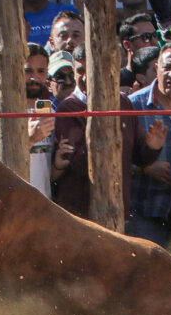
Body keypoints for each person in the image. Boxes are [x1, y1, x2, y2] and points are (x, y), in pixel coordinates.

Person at [55, 44, 165, 226]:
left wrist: (152, 147)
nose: (85, 76)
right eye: (80, 70)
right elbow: (77, 163)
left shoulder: (123, 102)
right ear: (73, 71)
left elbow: (139, 158)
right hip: (80, 217)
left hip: (118, 211)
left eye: (90, 69)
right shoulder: (68, 108)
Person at [0, 44, 54, 197]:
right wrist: (28, 140)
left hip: (44, 205)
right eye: (27, 71)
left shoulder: (49, 110)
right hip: (8, 203)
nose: (34, 77)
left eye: (41, 71)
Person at [129, 43, 171, 248]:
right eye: (167, 66)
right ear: (156, 68)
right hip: (145, 209)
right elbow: (116, 155)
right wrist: (145, 167)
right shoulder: (133, 105)